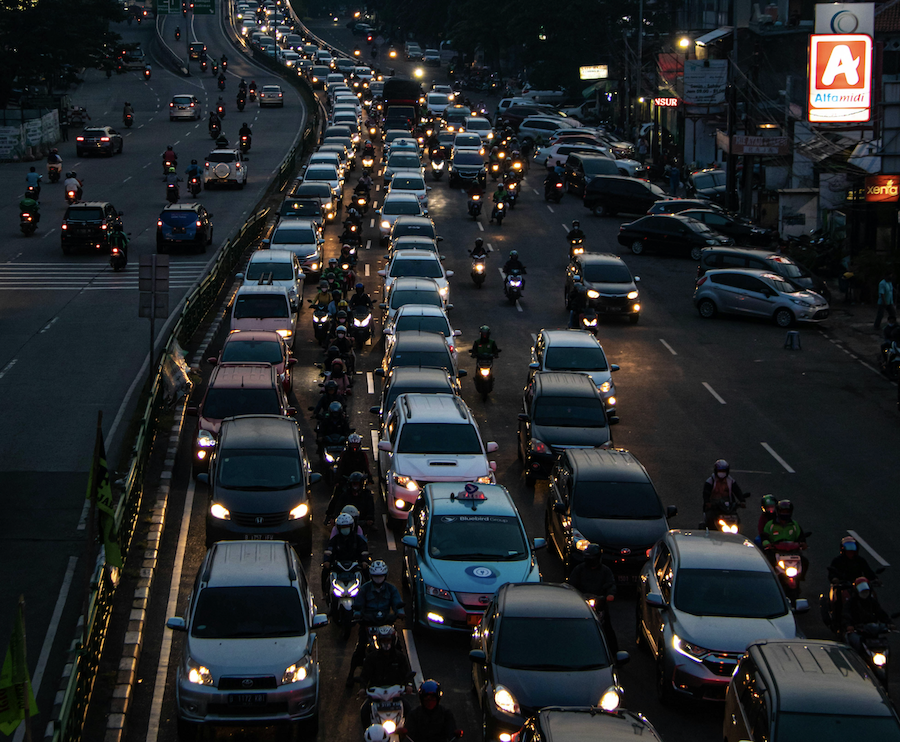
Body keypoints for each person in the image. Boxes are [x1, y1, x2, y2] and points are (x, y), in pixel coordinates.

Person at [349, 560, 405, 685]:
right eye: (376, 576)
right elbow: (358, 604)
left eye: (381, 576)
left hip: (386, 623)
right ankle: (351, 675)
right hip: (368, 623)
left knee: (398, 648)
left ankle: (405, 677)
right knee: (360, 648)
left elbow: (397, 602)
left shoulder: (391, 589)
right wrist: (357, 614)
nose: (378, 579)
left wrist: (400, 612)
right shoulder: (364, 589)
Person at [567, 544, 618, 656]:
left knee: (607, 629)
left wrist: (610, 594)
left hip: (600, 605)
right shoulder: (579, 570)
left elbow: (611, 584)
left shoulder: (605, 571)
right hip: (581, 604)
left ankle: (614, 653)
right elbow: (571, 584)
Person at [357, 626, 414, 724]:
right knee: (364, 711)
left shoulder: (400, 657)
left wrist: (408, 685)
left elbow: (406, 673)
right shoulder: (371, 658)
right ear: (379, 641)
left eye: (388, 640)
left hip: (395, 695)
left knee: (409, 710)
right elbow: (364, 675)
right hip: (376, 696)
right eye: (383, 640)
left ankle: (406, 734)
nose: (386, 643)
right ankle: (369, 735)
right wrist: (362, 688)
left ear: (393, 640)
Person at [322, 512, 370, 594]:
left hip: (354, 565)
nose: (345, 529)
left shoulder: (357, 539)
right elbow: (329, 550)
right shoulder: (335, 539)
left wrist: (364, 561)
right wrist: (327, 561)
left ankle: (368, 591)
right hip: (338, 566)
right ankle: (324, 592)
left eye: (347, 527)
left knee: (367, 571)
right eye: (342, 527)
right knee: (324, 571)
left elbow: (364, 550)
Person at [842, 577, 893, 653]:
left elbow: (880, 613)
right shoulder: (851, 603)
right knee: (854, 646)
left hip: (871, 629)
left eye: (866, 591)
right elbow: (846, 615)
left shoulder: (872, 602)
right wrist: (849, 625)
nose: (864, 593)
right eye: (862, 591)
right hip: (857, 630)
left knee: (883, 643)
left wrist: (889, 623)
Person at [762, 500, 809, 574]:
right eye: (783, 511)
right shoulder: (770, 525)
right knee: (767, 564)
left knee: (805, 562)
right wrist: (767, 543)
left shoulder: (794, 525)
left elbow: (801, 537)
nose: (785, 513)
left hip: (792, 552)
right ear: (778, 511)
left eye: (787, 511)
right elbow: (764, 537)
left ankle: (800, 578)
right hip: (775, 551)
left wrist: (803, 544)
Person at [702, 459, 746, 528]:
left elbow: (737, 491)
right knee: (710, 519)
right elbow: (706, 493)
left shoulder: (731, 481)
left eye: (723, 471)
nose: (722, 473)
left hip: (728, 507)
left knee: (737, 520)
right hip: (714, 506)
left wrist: (742, 501)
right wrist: (708, 502)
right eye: (720, 471)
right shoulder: (710, 481)